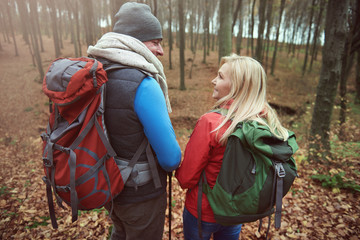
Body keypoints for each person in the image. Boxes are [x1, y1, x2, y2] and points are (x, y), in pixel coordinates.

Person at [87, 2, 181, 240]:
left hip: (107, 183)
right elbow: (171, 159)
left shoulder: (97, 70)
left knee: (119, 232)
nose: (160, 50)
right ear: (135, 41)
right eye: (155, 42)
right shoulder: (144, 83)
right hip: (141, 194)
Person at [175, 54, 291, 240]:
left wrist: (177, 174)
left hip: (202, 211)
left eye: (220, 77)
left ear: (238, 86)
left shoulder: (211, 123)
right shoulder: (266, 122)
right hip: (236, 212)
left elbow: (186, 178)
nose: (213, 80)